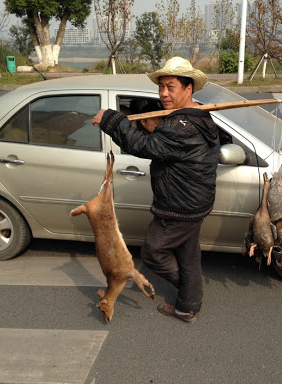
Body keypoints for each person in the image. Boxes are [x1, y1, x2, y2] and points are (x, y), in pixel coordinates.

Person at [92, 57, 220, 323]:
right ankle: (188, 306)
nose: (163, 93)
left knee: (153, 251)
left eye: (171, 87)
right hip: (196, 200)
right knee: (187, 253)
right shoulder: (199, 116)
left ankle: (188, 291)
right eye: (161, 86)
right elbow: (167, 147)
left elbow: (145, 147)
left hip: (178, 206)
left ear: (188, 89)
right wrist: (157, 131)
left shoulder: (180, 126)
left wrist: (111, 119)